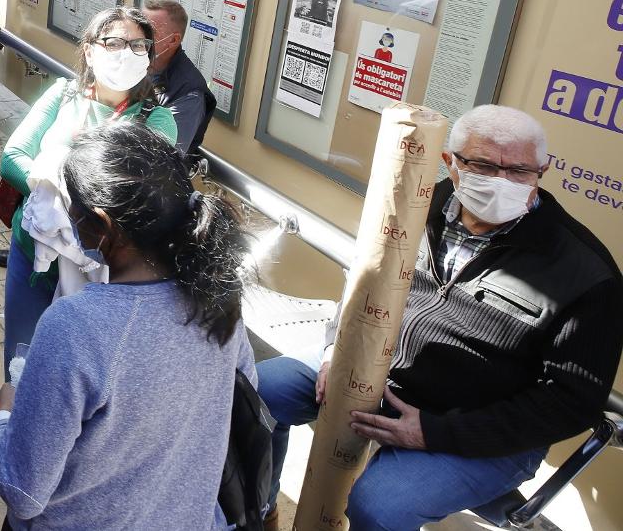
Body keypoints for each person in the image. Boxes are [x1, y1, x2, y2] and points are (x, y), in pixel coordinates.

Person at [258, 105, 623, 531]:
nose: (502, 182)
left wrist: (433, 433)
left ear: (542, 169)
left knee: (381, 506)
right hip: (379, 372)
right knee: (252, 394)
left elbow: (571, 403)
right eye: (484, 166)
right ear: (451, 163)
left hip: (477, 423)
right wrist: (332, 352)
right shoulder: (415, 207)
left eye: (521, 171)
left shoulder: (587, 273)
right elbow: (363, 283)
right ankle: (260, 511)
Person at [0, 121, 253, 528]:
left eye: (71, 209)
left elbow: (24, 493)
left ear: (102, 226)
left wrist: (3, 420)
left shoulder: (76, 327)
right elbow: (239, 397)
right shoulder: (218, 301)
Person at [0, 7, 176, 370]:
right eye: (113, 42)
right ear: (90, 51)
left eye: (138, 46)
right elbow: (13, 157)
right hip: (34, 255)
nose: (126, 52)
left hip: (101, 271)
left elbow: (137, 197)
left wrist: (57, 182)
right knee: (21, 362)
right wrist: (58, 184)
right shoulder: (63, 95)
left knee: (78, 370)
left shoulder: (156, 121)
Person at [142, 0, 216, 156]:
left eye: (150, 32)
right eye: (140, 28)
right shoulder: (134, 63)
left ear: (173, 40)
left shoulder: (188, 93)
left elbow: (163, 157)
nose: (141, 37)